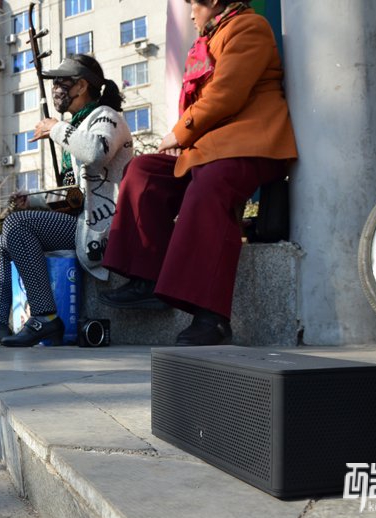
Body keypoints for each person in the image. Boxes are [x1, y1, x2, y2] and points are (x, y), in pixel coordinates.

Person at [99, 0, 297, 346]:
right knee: (143, 171)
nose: (190, 11)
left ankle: (212, 317)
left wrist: (181, 131)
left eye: (194, 3)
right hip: (209, 148)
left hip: (251, 144)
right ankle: (145, 278)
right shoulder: (208, 38)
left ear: (215, 2)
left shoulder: (248, 27)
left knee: (208, 187)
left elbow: (227, 94)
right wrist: (183, 138)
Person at [0, 54, 132, 349]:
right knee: (0, 244)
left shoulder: (106, 117)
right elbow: (75, 197)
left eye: (61, 82)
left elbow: (96, 153)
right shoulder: (77, 124)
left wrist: (55, 128)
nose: (56, 89)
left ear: (82, 85)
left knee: (17, 225)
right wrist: (34, 202)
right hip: (81, 223)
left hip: (103, 229)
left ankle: (45, 318)